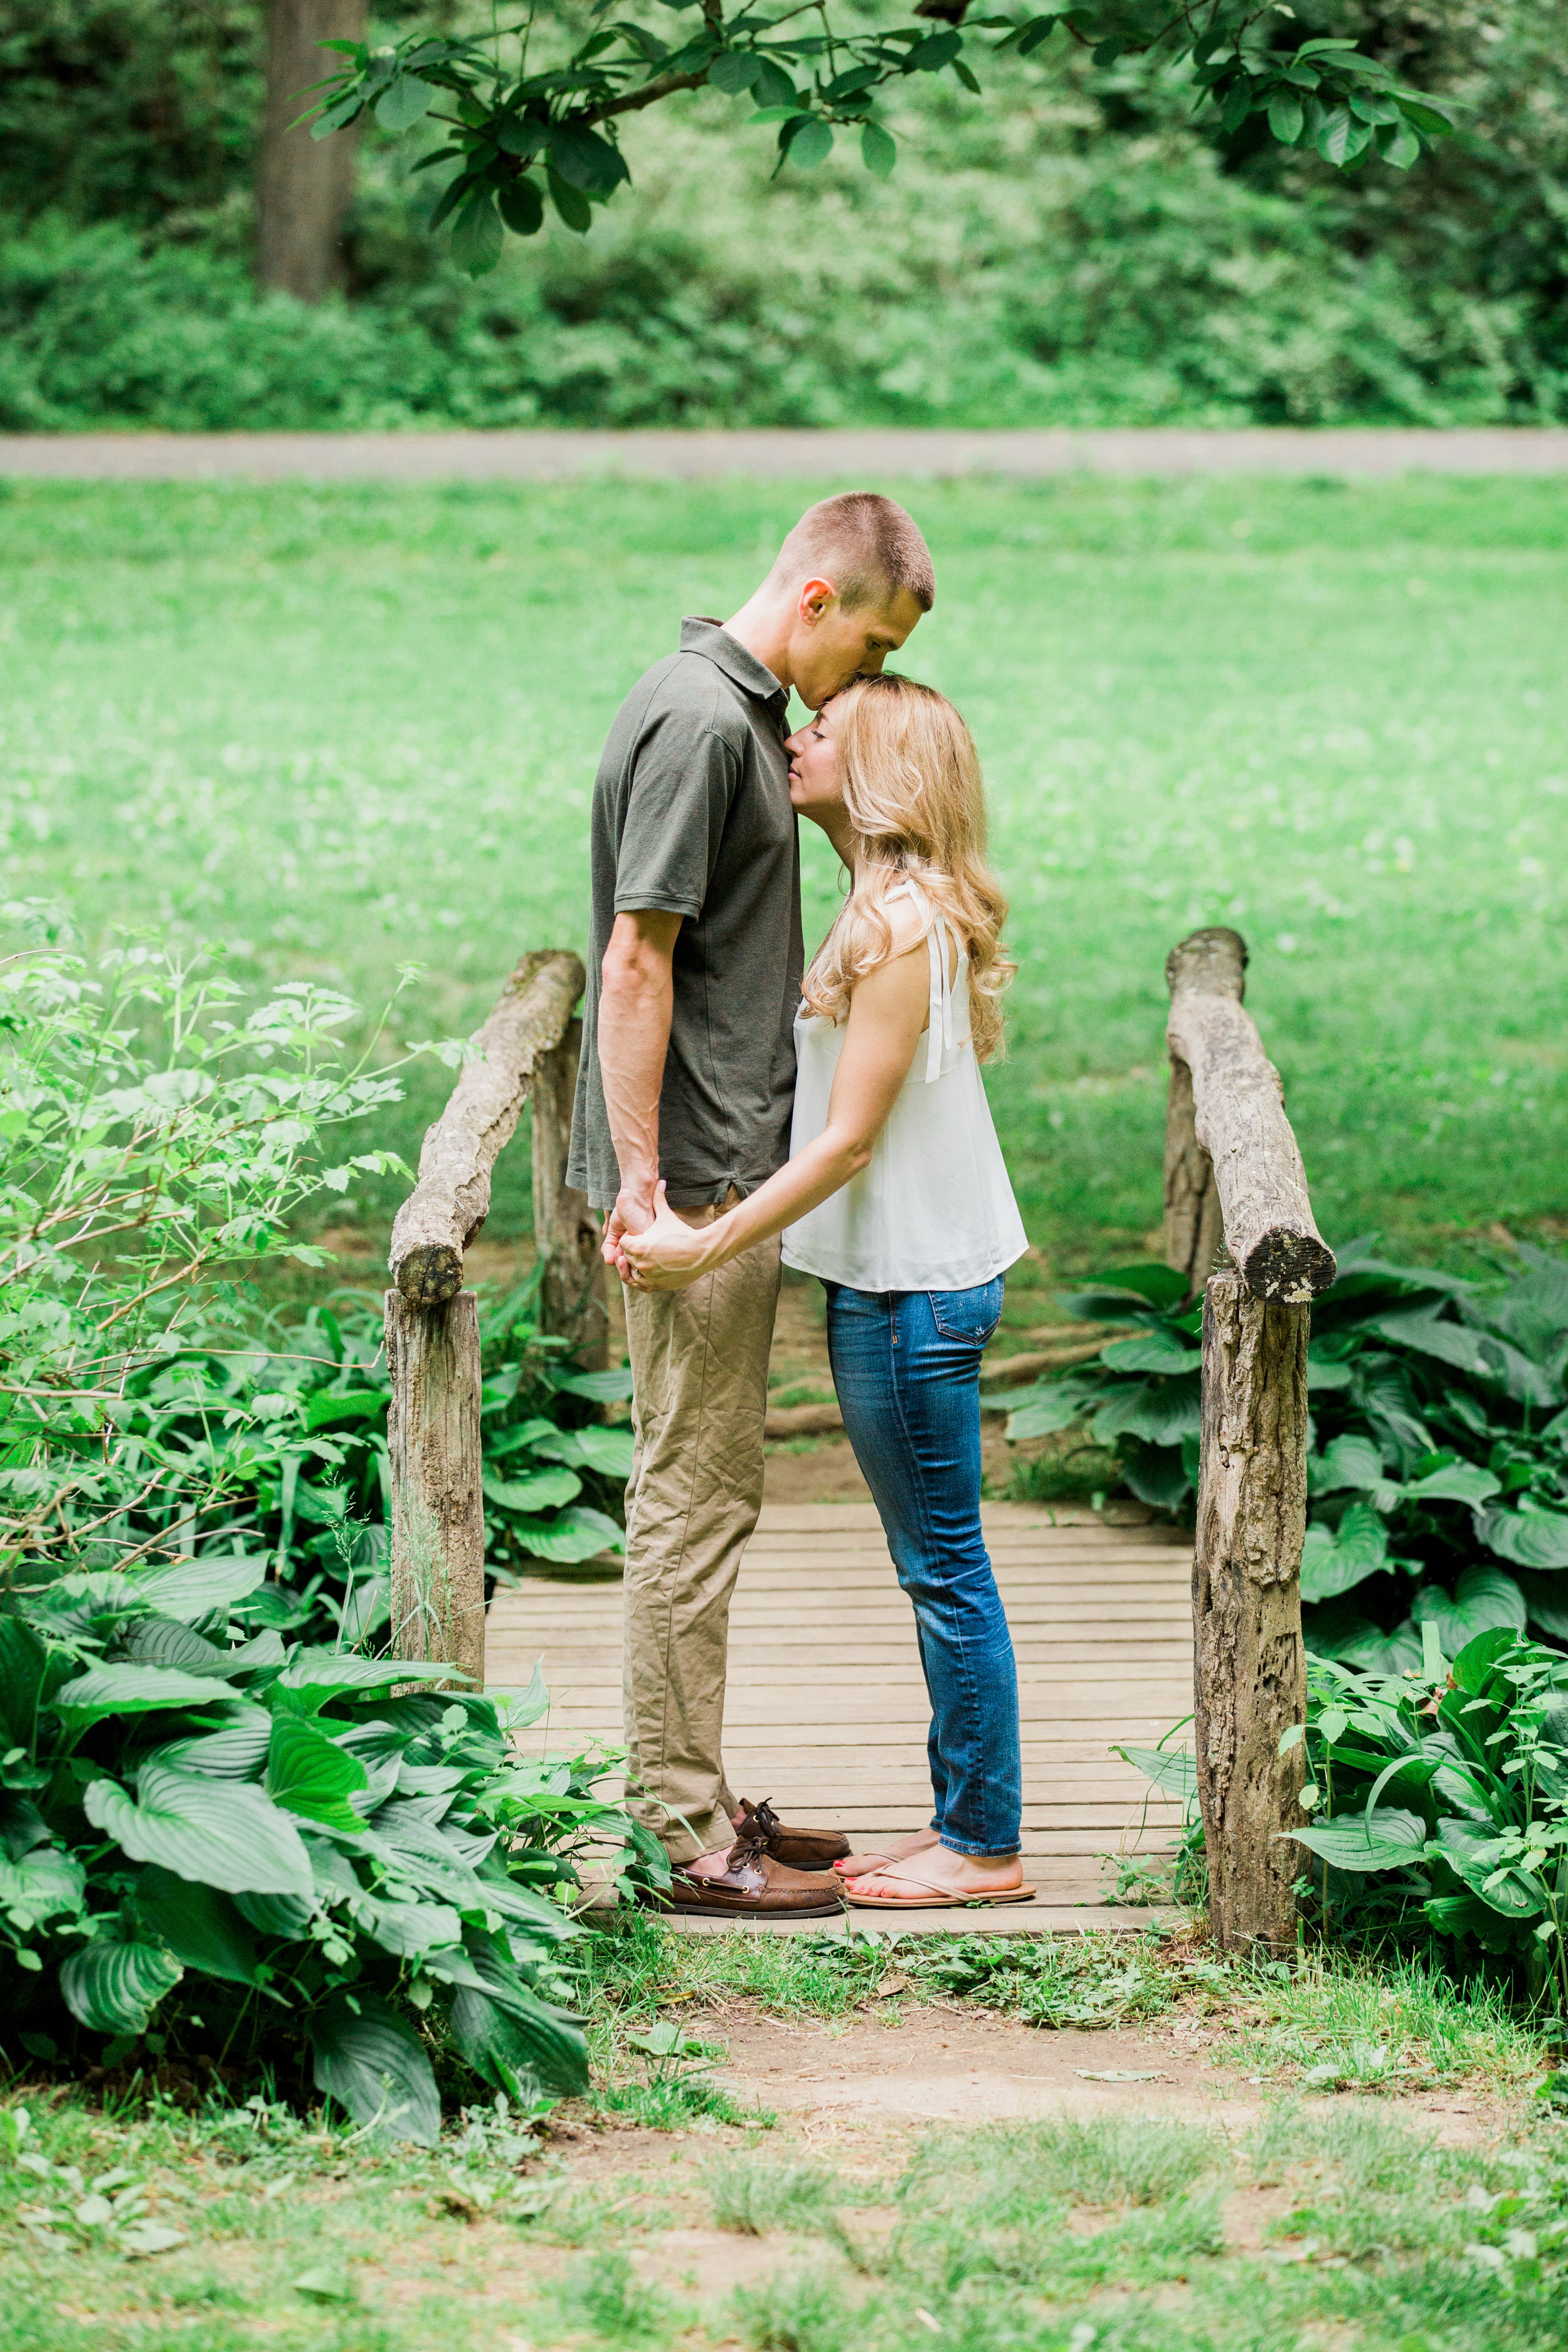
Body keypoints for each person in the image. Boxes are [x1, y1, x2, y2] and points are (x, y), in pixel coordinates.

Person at [566, 494, 935, 1919]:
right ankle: (677, 1837)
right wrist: (647, 1177)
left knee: (707, 1487)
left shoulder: (720, 711)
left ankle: (702, 1795)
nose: (864, 681)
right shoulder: (709, 724)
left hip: (715, 1156)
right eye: (872, 644)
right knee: (692, 1498)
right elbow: (635, 959)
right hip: (700, 1170)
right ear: (817, 603)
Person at [621, 672, 1035, 1909]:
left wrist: (705, 1243)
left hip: (913, 1293)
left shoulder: (902, 925)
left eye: (823, 732)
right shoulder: (879, 908)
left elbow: (845, 1142)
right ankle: (962, 1825)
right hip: (890, 1285)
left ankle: (982, 1846)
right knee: (938, 1568)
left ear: (875, 776)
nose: (792, 738)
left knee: (944, 1572)